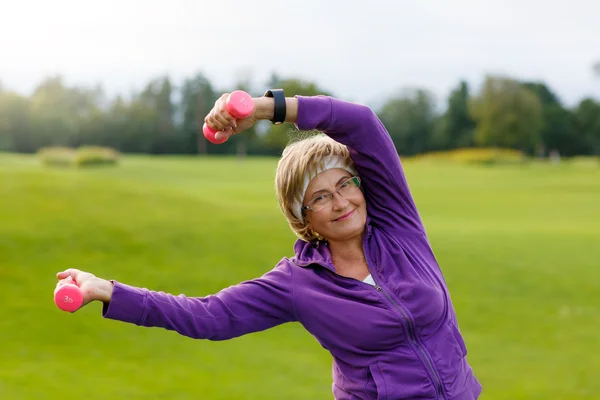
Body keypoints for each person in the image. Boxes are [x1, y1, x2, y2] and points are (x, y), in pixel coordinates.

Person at [56, 90, 482, 399]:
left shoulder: (397, 225)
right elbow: (209, 317)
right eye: (319, 197)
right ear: (303, 219)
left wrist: (263, 108)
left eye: (345, 184)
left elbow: (363, 123)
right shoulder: (298, 284)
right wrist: (109, 291)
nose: (341, 202)